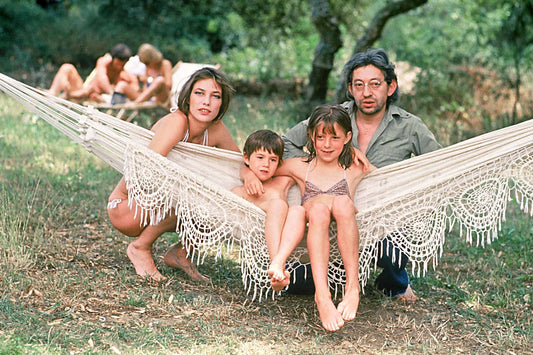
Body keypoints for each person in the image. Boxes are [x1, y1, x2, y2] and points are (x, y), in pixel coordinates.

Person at [281, 48, 442, 301]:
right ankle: (341, 273)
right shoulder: (334, 118)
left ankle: (394, 281)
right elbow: (286, 143)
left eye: (375, 84)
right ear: (350, 88)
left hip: (385, 218)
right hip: (329, 218)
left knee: (395, 248)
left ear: (390, 87)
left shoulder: (410, 126)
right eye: (359, 85)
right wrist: (318, 166)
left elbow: (438, 165)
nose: (367, 92)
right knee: (297, 286)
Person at [107, 67, 240, 282]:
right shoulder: (177, 122)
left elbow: (237, 165)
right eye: (199, 93)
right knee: (194, 194)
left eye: (215, 96)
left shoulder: (215, 129)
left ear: (221, 104)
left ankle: (181, 253)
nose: (206, 101)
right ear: (187, 97)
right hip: (127, 207)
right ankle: (140, 248)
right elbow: (148, 169)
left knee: (223, 201)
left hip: (156, 206)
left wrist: (250, 176)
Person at [272, 104, 374, 331]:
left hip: (344, 223)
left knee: (342, 202)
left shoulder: (355, 167)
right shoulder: (300, 166)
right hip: (313, 227)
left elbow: (390, 182)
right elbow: (260, 167)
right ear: (311, 136)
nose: (327, 145)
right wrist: (245, 175)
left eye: (335, 138)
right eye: (320, 137)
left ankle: (352, 287)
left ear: (348, 137)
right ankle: (322, 295)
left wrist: (357, 153)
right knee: (317, 210)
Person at [231, 130, 303, 291]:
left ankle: (277, 264)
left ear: (279, 163)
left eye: (273, 160)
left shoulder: (283, 180)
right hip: (253, 227)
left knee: (292, 208)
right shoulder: (239, 190)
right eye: (260, 157)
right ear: (246, 158)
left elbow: (307, 165)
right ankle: (278, 266)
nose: (266, 164)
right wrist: (248, 174)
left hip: (284, 230)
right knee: (277, 204)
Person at [46, 43, 138, 103]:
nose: (120, 67)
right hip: (84, 89)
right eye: (118, 64)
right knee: (67, 67)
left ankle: (68, 95)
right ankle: (53, 93)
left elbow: (135, 87)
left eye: (123, 65)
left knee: (91, 90)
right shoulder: (103, 62)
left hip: (94, 96)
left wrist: (114, 94)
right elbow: (102, 79)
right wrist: (112, 92)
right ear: (114, 59)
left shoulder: (124, 72)